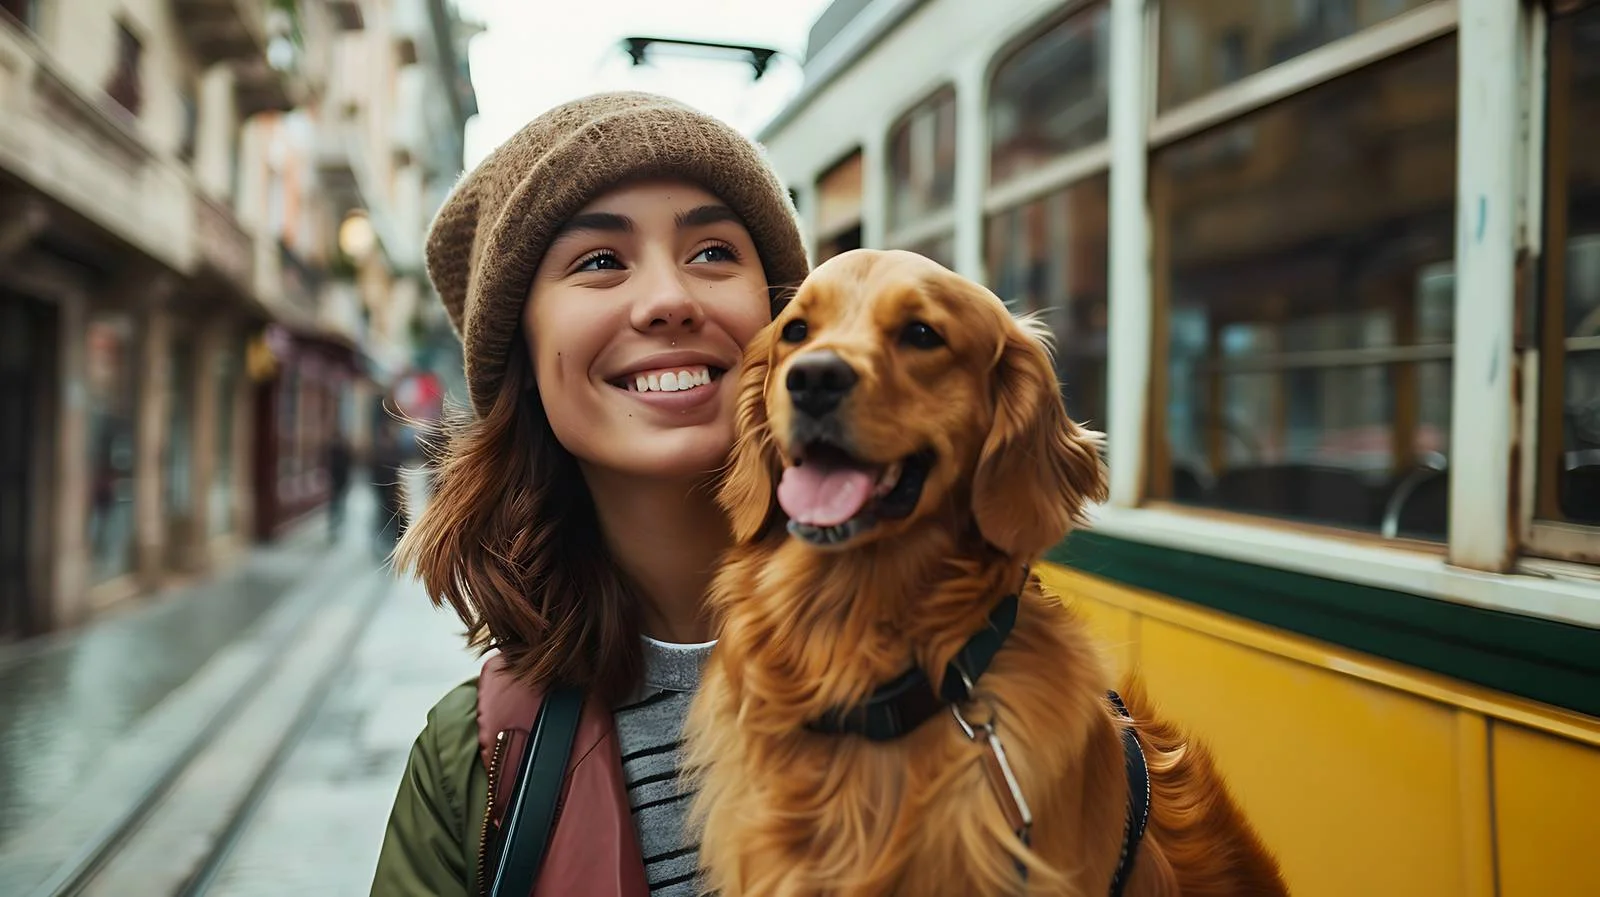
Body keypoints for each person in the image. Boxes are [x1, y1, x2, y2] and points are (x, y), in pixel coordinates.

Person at [370, 92, 809, 896]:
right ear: (526, 360)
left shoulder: (978, 658)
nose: (670, 298)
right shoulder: (470, 763)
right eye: (600, 262)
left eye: (713, 251)